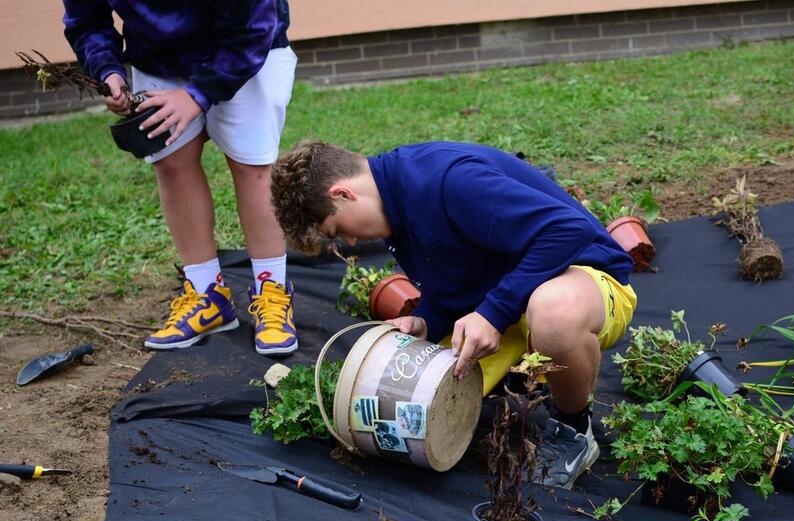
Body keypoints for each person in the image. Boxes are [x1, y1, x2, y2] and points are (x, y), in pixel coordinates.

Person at [270, 140, 638, 489]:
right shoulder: (396, 205)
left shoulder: (447, 180)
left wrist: (493, 314)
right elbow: (453, 283)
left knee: (553, 315)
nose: (349, 242)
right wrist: (427, 319)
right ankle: (529, 372)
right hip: (521, 298)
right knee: (419, 399)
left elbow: (567, 229)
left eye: (337, 230)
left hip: (583, 275)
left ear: (343, 194)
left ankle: (574, 431)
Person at [62, 0, 299, 356]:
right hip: (158, 57)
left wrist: (197, 95)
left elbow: (253, 27)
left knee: (253, 167)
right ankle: (208, 296)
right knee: (172, 164)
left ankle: (272, 292)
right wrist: (108, 70)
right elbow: (86, 19)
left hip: (243, 48)